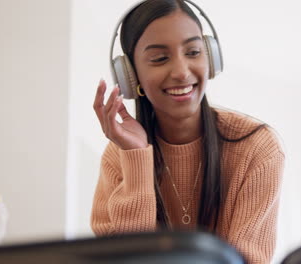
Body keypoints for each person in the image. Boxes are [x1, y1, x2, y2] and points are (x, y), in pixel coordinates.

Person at [91, 0, 285, 263]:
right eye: (160, 58)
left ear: (211, 58)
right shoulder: (119, 158)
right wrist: (136, 158)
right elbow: (127, 259)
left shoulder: (256, 148)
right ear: (130, 76)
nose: (182, 72)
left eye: (193, 52)